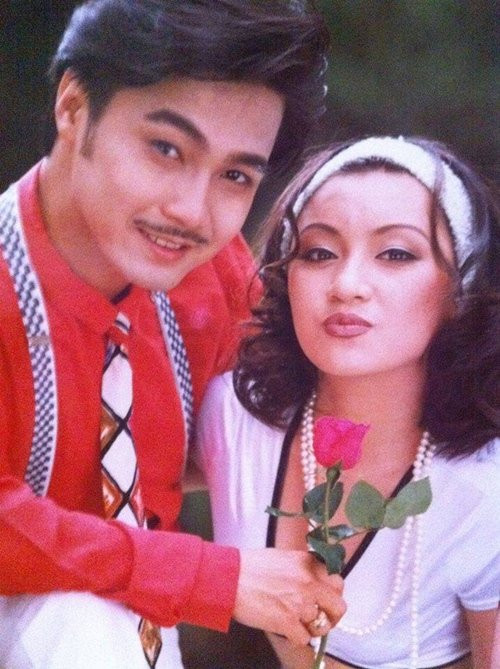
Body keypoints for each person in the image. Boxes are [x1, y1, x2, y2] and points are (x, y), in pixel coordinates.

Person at [0, 2, 348, 667]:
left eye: (235, 175)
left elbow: (303, 415)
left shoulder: (210, 278)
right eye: (166, 149)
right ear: (73, 107)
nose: (191, 210)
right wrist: (208, 576)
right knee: (77, 624)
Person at [195, 135, 500, 668]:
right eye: (318, 253)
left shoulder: (482, 486)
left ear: (460, 290)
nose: (347, 284)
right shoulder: (233, 416)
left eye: (396, 254)